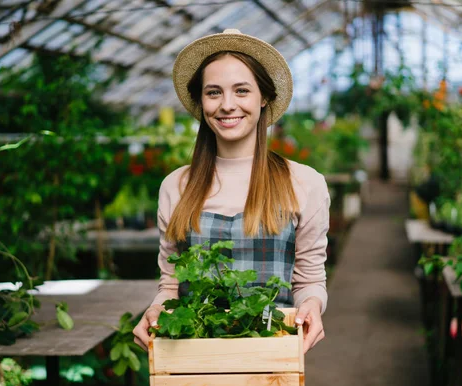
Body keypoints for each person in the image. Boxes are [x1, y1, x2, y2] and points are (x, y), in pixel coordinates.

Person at [133, 29, 329, 354]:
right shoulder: (176, 187)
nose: (227, 105)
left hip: (271, 355)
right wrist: (157, 311)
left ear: (263, 97)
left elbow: (309, 280)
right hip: (192, 359)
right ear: (200, 101)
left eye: (241, 90)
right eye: (213, 92)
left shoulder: (303, 183)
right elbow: (170, 284)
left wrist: (311, 305)